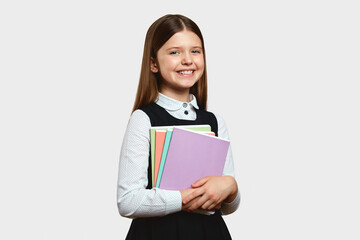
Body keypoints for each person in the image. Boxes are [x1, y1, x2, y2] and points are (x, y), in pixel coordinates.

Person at [117, 14, 240, 240]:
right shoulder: (143, 119)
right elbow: (128, 202)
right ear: (153, 63)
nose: (188, 60)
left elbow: (226, 207)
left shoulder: (215, 121)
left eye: (195, 51)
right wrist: (185, 198)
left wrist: (230, 187)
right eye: (175, 52)